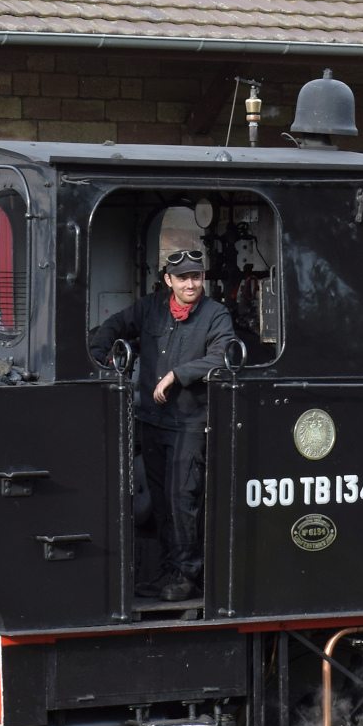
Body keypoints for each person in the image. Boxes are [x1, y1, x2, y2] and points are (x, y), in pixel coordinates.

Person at [89, 249, 237, 601]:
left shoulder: (216, 315)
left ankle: (186, 575)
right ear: (168, 280)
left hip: (190, 422)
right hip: (152, 420)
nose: (191, 284)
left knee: (181, 498)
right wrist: (100, 352)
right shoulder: (150, 307)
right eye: (183, 278)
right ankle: (167, 570)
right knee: (160, 501)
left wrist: (177, 374)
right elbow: (114, 325)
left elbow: (222, 355)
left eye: (197, 277)